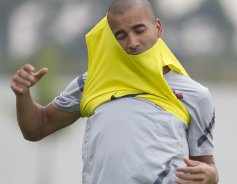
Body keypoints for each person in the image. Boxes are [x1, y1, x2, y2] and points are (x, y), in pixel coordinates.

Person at [10, 0, 219, 183]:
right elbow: (37, 128)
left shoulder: (195, 95)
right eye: (121, 35)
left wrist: (212, 177)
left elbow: (205, 167)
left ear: (158, 28)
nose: (132, 42)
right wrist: (23, 95)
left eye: (139, 30)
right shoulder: (92, 81)